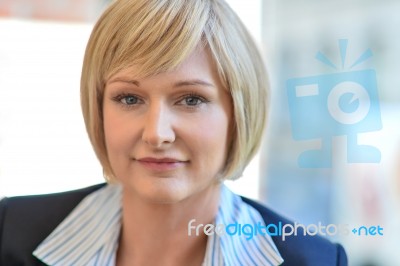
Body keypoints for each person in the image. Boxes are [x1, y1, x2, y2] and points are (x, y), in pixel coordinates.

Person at [0, 0, 347, 265]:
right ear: (98, 108)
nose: (156, 134)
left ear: (238, 115)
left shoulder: (314, 260)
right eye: (129, 98)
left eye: (191, 99)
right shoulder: (11, 232)